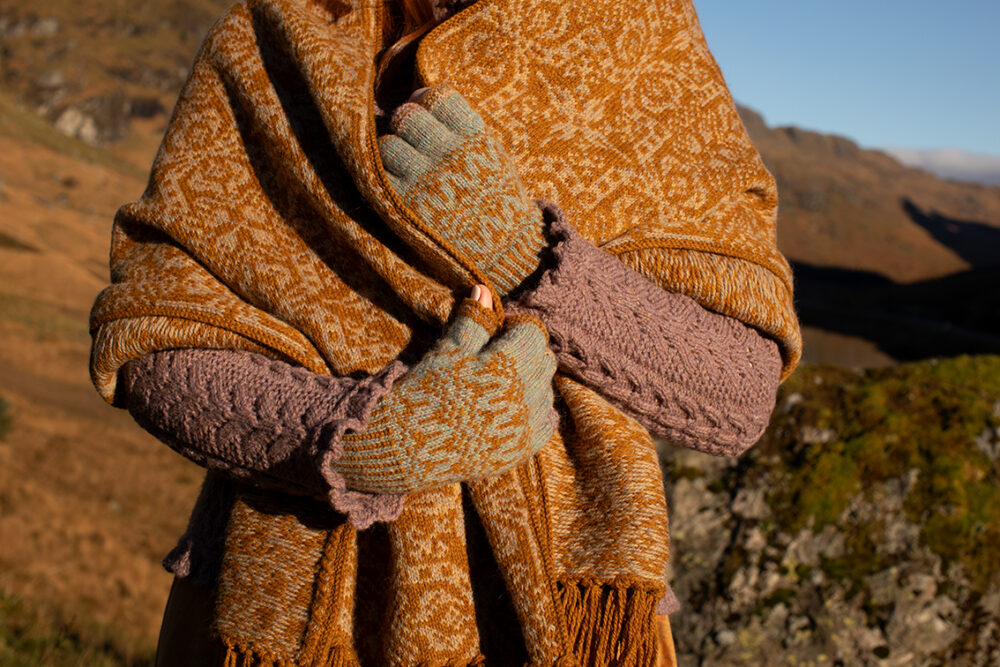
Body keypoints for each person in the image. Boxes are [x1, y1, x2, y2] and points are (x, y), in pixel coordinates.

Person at [88, 0, 801, 664]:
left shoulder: (637, 32)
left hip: (563, 608)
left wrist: (524, 252)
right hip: (283, 594)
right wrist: (362, 442)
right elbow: (155, 340)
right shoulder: (273, 35)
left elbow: (739, 392)